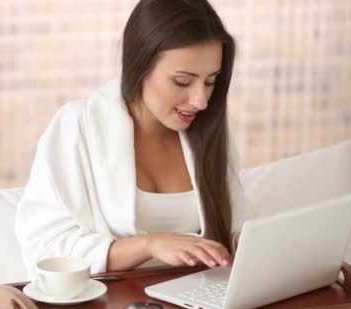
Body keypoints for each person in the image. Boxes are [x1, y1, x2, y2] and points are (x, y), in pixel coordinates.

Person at [15, 0, 246, 278]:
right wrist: (148, 245)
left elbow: (232, 228)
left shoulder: (210, 132)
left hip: (199, 300)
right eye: (182, 82)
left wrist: (243, 242)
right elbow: (44, 249)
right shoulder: (78, 128)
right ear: (139, 67)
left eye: (210, 81)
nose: (201, 101)